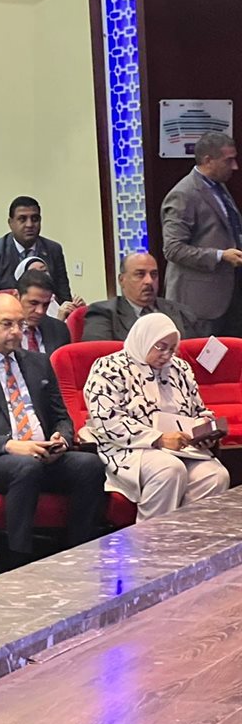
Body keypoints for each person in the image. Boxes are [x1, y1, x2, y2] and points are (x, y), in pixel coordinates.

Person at [0, 292, 106, 565]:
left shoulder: (38, 362)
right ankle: (18, 558)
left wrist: (61, 439)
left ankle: (80, 551)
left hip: (44, 453)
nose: (16, 331)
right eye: (7, 324)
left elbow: (62, 417)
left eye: (20, 324)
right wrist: (10, 446)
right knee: (26, 467)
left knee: (89, 465)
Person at [83, 312, 230, 520]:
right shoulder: (108, 367)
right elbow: (107, 420)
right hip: (128, 447)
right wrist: (159, 439)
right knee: (169, 470)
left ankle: (187, 535)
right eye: (161, 347)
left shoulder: (180, 368)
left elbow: (198, 409)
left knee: (215, 476)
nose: (167, 355)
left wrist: (204, 430)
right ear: (144, 339)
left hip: (182, 447)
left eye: (172, 349)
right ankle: (151, 538)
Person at [162, 133, 242, 334]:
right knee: (201, 354)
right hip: (198, 304)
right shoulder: (183, 194)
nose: (234, 166)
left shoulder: (219, 187)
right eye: (228, 160)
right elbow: (173, 249)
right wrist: (220, 255)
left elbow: (229, 230)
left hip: (229, 295)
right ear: (208, 160)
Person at [83, 252, 199, 342]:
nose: (149, 281)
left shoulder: (180, 311)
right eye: (140, 274)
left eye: (154, 274)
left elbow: (196, 351)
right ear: (122, 280)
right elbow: (97, 355)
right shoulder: (103, 313)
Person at [0, 196, 71, 302]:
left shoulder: (53, 249)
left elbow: (64, 295)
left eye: (35, 219)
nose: (29, 225)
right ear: (11, 223)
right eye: (22, 219)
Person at [0, 269, 70, 354]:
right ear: (16, 296)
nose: (40, 311)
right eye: (33, 303)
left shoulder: (59, 330)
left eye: (45, 305)